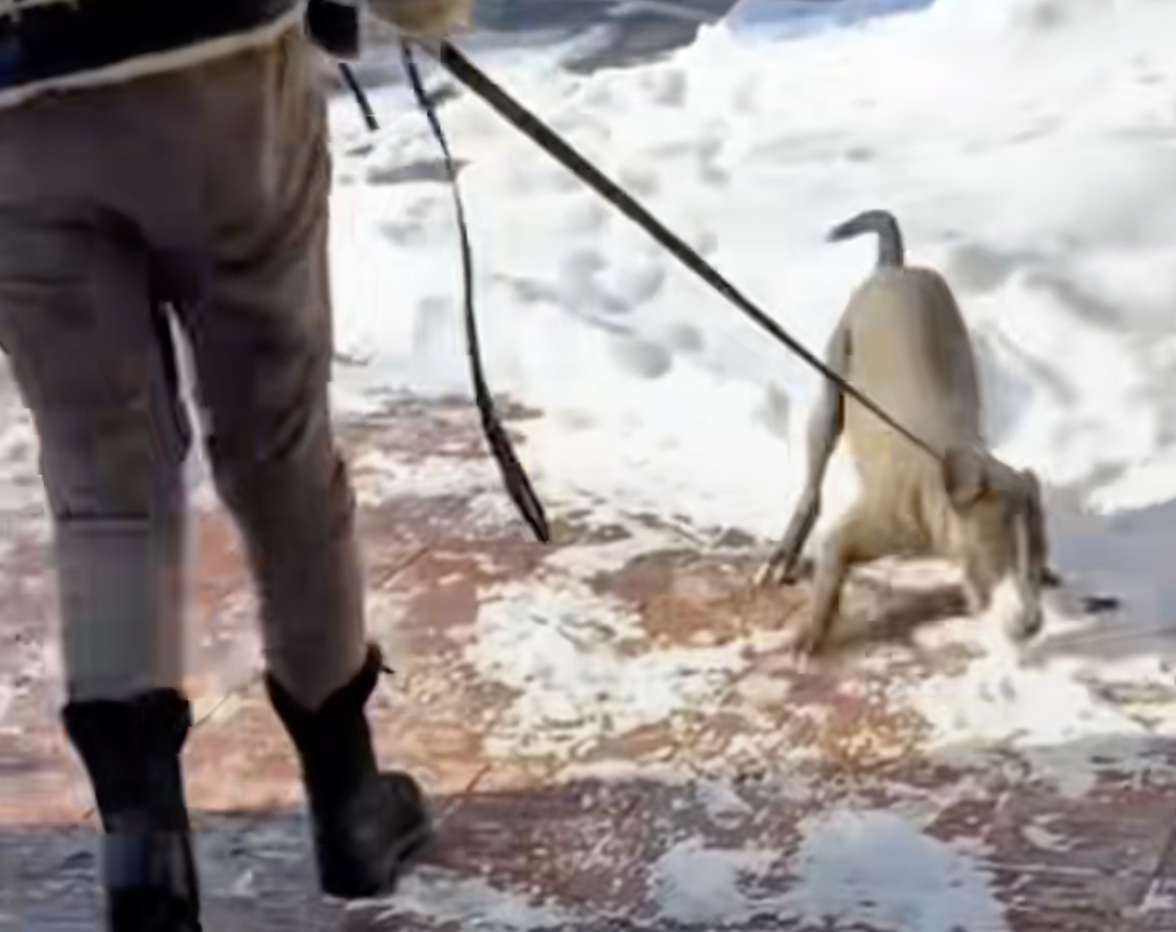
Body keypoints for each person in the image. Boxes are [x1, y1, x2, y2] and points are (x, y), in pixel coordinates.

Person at [0, 1, 472, 929]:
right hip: (223, 72)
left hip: (15, 117)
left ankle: (145, 869)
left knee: (104, 486)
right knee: (278, 444)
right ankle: (350, 808)